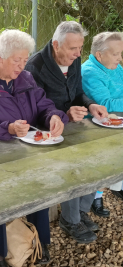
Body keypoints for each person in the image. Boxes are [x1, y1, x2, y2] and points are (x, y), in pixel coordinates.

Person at [0, 29, 69, 267]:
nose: (22, 65)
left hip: (29, 151)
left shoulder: (26, 79)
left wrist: (54, 116)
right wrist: (8, 129)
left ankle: (39, 240)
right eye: (16, 60)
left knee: (40, 184)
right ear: (0, 56)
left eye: (24, 59)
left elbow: (44, 106)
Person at [25, 21, 108, 244]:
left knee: (97, 156)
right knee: (74, 164)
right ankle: (69, 220)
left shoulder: (75, 60)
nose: (78, 54)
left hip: (75, 124)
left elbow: (78, 91)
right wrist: (65, 113)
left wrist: (90, 105)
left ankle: (81, 211)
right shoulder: (34, 67)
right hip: (47, 132)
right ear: (56, 45)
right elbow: (36, 110)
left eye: (80, 48)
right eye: (73, 49)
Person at [81, 31, 123, 210]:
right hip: (94, 127)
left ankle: (117, 185)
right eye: (116, 54)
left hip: (116, 122)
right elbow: (106, 105)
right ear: (99, 55)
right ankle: (96, 196)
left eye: (121, 54)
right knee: (103, 159)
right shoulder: (90, 71)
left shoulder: (115, 67)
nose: (120, 59)